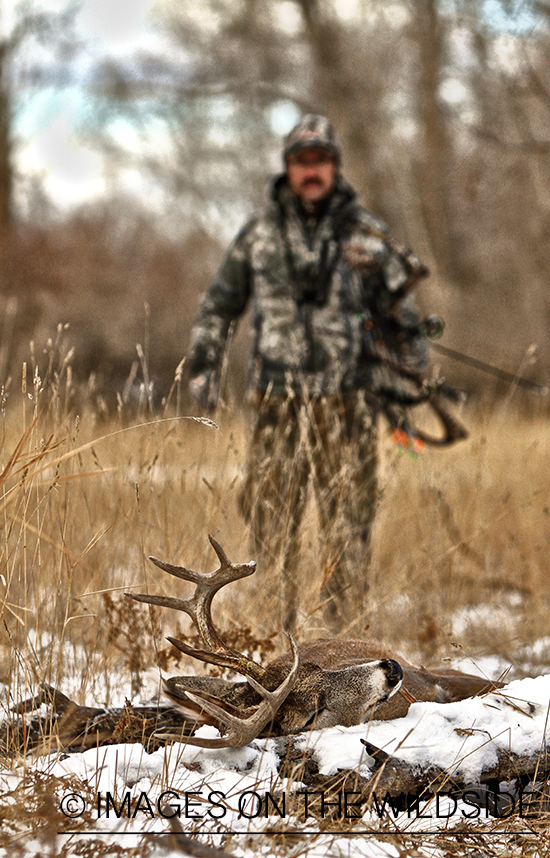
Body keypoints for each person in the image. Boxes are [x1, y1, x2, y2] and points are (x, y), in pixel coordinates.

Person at [187, 114, 429, 628]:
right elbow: (219, 305)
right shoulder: (259, 233)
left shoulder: (368, 232)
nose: (311, 171)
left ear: (335, 166)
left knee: (349, 529)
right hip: (277, 401)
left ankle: (346, 650)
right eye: (301, 162)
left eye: (320, 160)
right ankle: (274, 647)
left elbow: (403, 316)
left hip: (349, 401)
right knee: (271, 527)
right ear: (288, 169)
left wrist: (412, 378)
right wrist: (203, 367)